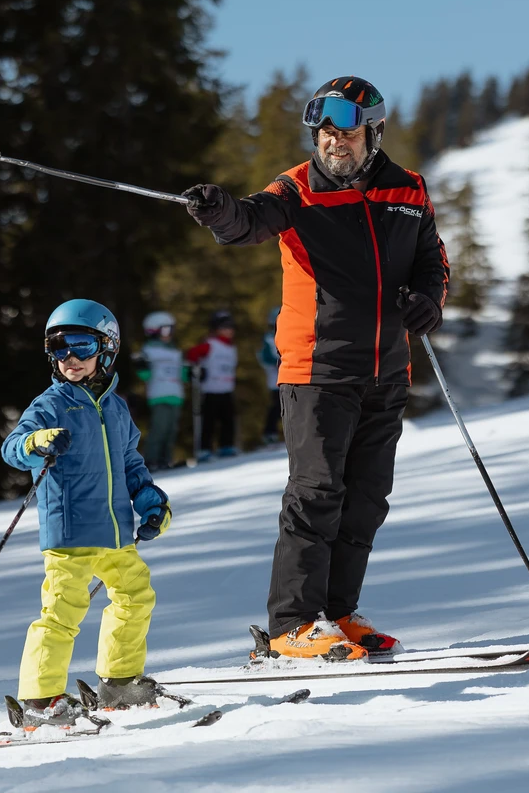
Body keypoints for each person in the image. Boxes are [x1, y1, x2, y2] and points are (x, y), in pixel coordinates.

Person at [183, 76, 449, 661]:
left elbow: (433, 260)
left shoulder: (408, 190)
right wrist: (219, 210)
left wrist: (430, 302)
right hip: (317, 368)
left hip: (386, 369)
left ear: (373, 134)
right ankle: (293, 623)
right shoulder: (296, 191)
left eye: (347, 133)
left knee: (367, 497)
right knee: (316, 492)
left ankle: (338, 613)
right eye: (325, 133)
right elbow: (249, 221)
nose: (334, 144)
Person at [1, 299, 174, 729]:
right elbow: (12, 447)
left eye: (80, 346)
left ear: (107, 349)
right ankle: (41, 701)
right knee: (62, 614)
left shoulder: (116, 408)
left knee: (136, 596)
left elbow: (130, 463)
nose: (70, 358)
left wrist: (150, 501)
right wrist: (36, 441)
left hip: (115, 531)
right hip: (71, 532)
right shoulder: (51, 404)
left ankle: (118, 680)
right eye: (58, 349)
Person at [134, 311, 188, 470]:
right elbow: (145, 375)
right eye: (165, 330)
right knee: (159, 429)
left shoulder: (175, 351)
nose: (169, 334)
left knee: (171, 430)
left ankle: (166, 459)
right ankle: (152, 460)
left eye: (171, 330)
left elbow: (182, 373)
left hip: (176, 394)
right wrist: (141, 365)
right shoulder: (149, 350)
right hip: (159, 394)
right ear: (153, 331)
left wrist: (191, 372)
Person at [185, 309, 238, 463]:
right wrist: (197, 368)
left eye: (230, 327)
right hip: (211, 389)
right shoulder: (210, 344)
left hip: (227, 389)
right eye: (224, 327)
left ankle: (226, 445)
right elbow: (192, 354)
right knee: (209, 420)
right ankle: (205, 448)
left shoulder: (231, 347)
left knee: (228, 419)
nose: (229, 331)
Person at [257, 306, 282, 445]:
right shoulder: (268, 339)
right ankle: (269, 432)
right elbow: (265, 357)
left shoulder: (287, 334)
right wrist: (278, 362)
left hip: (287, 377)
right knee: (276, 406)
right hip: (275, 380)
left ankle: (276, 432)